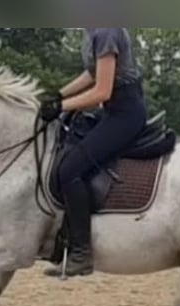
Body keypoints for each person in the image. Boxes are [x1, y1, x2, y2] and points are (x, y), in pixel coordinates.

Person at [39, 28, 148, 278]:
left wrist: (60, 106)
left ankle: (81, 254)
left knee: (68, 171)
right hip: (113, 111)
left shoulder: (106, 31)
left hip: (125, 114)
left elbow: (102, 92)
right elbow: (92, 73)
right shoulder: (92, 31)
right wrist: (59, 94)